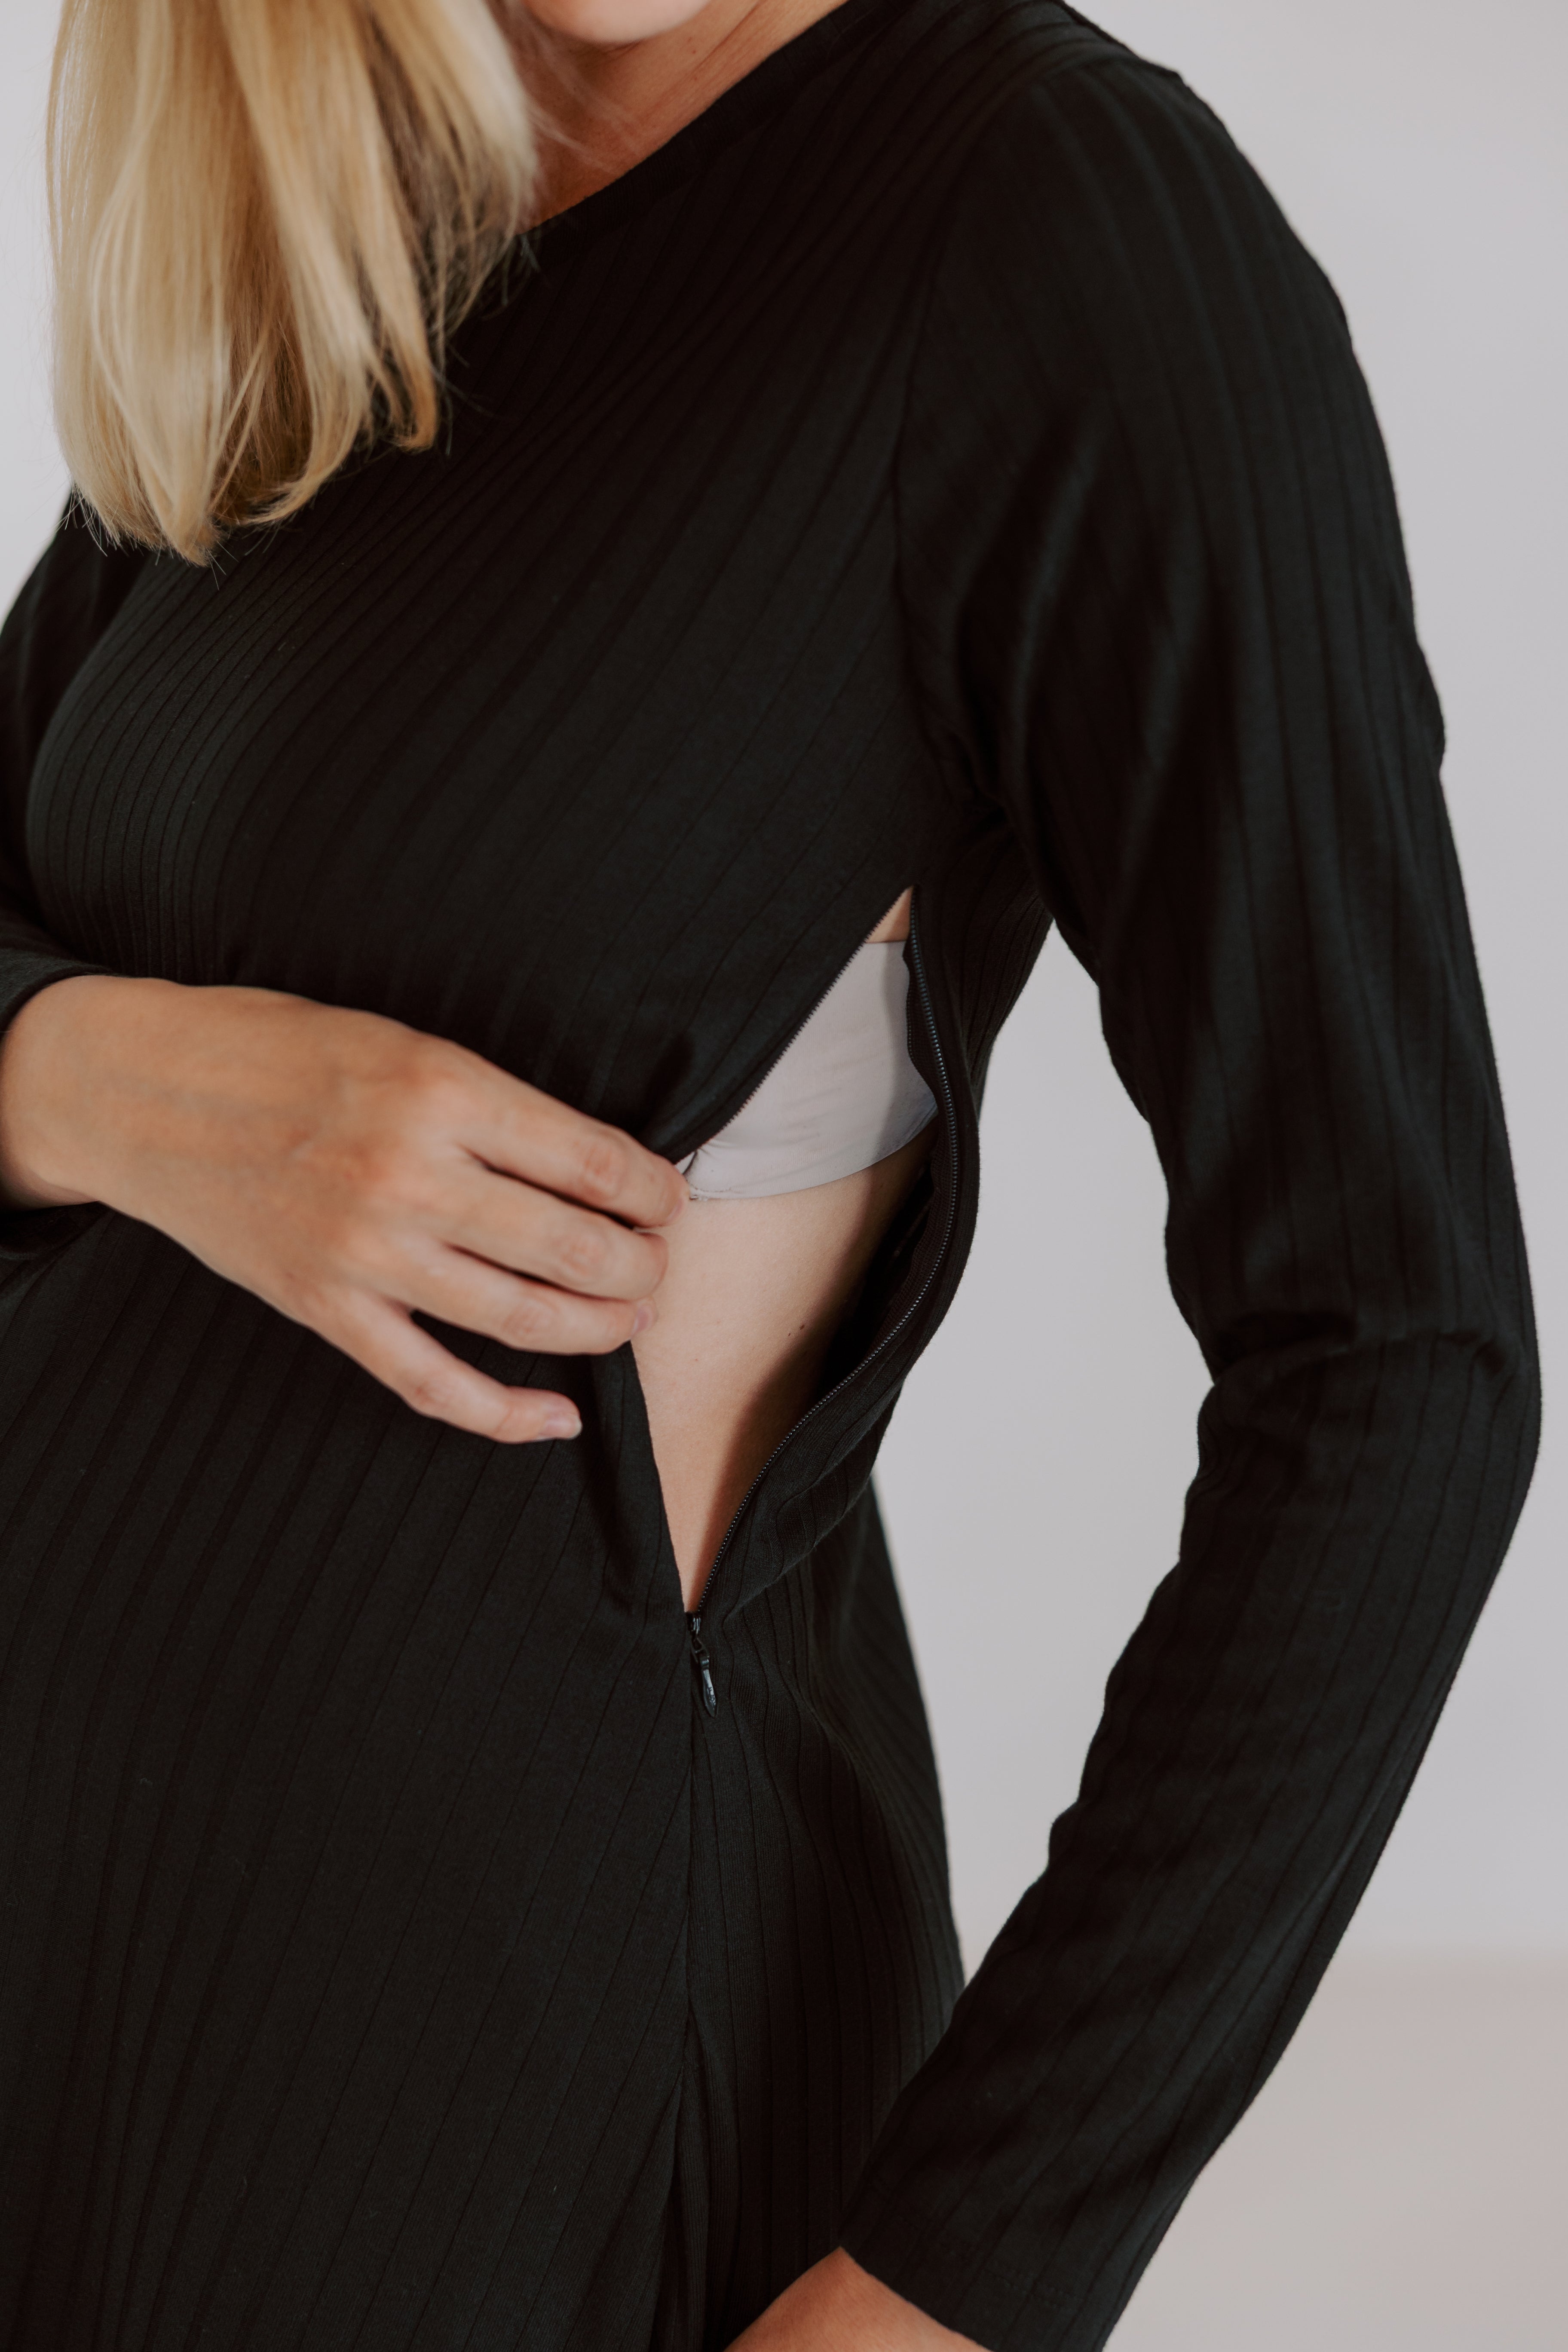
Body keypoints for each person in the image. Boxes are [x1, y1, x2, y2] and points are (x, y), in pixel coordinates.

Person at [0, 0, 1538, 2344]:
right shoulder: (347, 232)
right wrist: (108, 1079)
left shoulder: (1067, 235)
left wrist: (961, 2276)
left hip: (490, 2102)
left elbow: (1401, 1360)